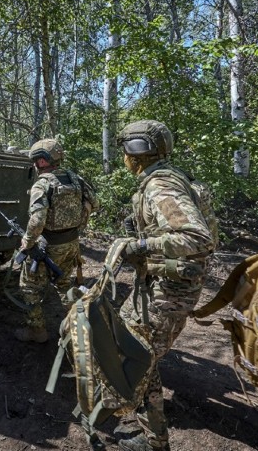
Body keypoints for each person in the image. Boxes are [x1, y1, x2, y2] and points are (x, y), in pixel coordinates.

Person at [110, 120, 217, 451]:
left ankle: (153, 440)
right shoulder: (169, 178)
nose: (123, 158)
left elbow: (196, 237)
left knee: (135, 355)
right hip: (166, 283)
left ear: (135, 153)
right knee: (130, 343)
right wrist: (142, 232)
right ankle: (146, 419)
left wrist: (142, 245)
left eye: (124, 151)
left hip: (169, 290)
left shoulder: (160, 185)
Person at [15, 138, 98, 343]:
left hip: (48, 246)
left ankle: (37, 330)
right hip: (72, 243)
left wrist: (27, 241)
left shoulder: (42, 184)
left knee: (29, 287)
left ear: (42, 161)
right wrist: (79, 221)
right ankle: (76, 327)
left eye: (36, 161)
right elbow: (95, 202)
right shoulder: (75, 179)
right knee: (64, 283)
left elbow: (37, 220)